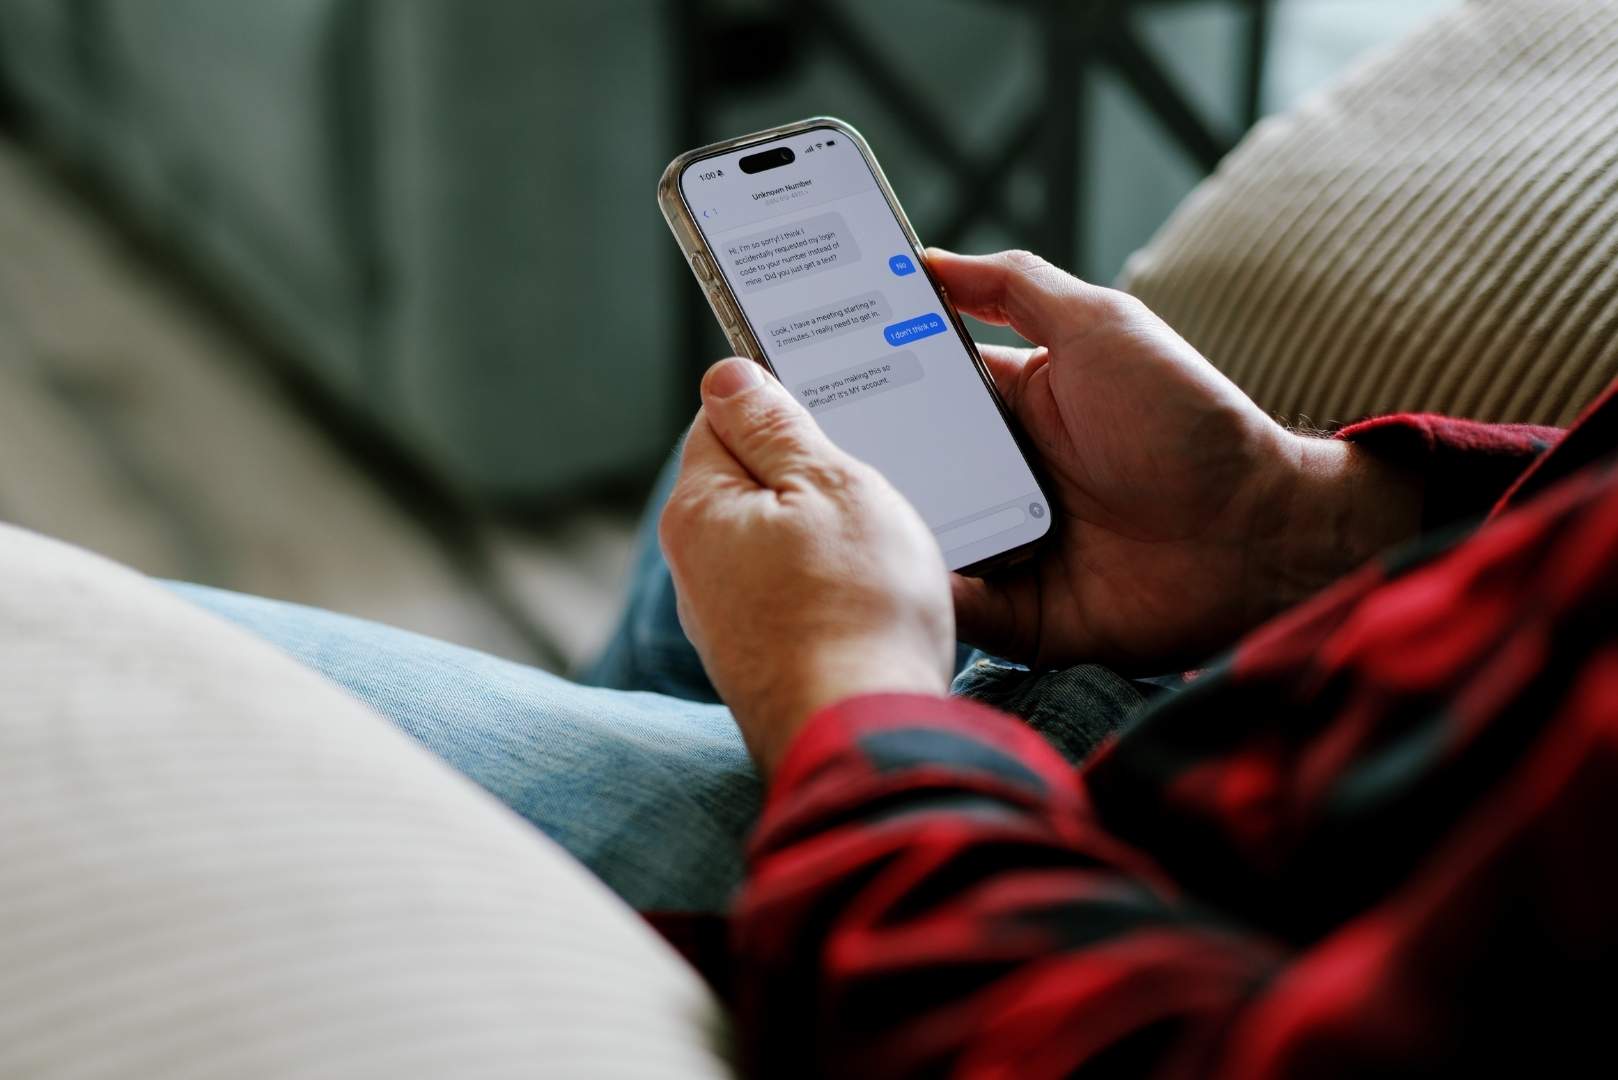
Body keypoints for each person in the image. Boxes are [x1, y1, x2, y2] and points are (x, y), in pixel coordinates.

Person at [181, 250, 1618, 1076]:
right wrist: (1301, 520)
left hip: (1020, 937)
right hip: (1265, 706)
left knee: (114, 679)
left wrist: (842, 692)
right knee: (737, 506)